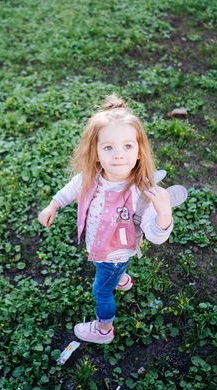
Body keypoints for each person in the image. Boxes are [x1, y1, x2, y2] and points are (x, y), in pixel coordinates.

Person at [38, 94, 185, 344]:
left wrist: (164, 214)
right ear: (95, 153)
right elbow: (72, 188)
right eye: (108, 147)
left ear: (140, 151)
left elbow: (154, 235)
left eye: (128, 146)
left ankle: (104, 329)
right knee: (108, 273)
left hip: (114, 254)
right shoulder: (92, 175)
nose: (118, 155)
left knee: (101, 290)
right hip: (100, 246)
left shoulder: (143, 192)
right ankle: (121, 278)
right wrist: (53, 204)